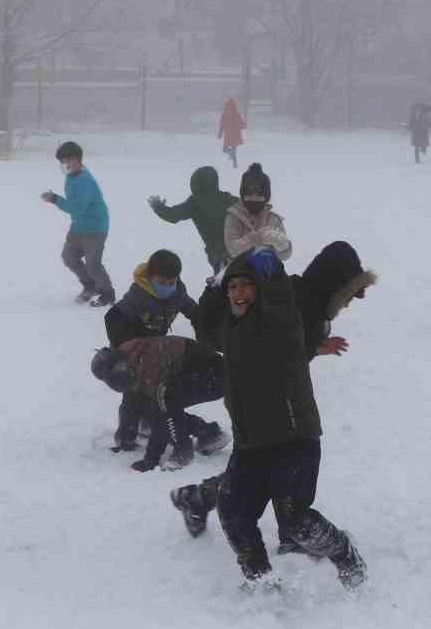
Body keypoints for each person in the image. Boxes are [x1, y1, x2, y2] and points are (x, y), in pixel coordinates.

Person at [173, 249, 366, 591]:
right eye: (233, 288)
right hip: (250, 443)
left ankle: (344, 553)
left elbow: (278, 300)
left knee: (295, 522)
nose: (239, 293)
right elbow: (205, 329)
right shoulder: (231, 329)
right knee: (233, 513)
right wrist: (213, 286)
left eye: (247, 285)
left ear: (261, 289)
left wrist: (272, 269)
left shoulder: (279, 319)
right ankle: (262, 581)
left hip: (293, 439)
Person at [104, 250, 225, 457]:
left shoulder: (177, 291)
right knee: (134, 394)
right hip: (138, 353)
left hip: (161, 354)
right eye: (162, 282)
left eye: (172, 281)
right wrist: (126, 346)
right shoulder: (138, 294)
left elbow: (193, 312)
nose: (168, 286)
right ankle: (128, 435)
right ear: (150, 278)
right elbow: (112, 317)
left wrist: (207, 333)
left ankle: (205, 432)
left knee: (158, 400)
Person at [91, 337, 228, 471]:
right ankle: (209, 433)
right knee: (155, 402)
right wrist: (126, 437)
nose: (114, 381)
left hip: (217, 377)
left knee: (166, 398)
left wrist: (151, 459)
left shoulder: (149, 362)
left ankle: (182, 452)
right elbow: (131, 400)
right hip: (200, 374)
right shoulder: (131, 360)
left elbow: (161, 413)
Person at [42, 140, 114, 306]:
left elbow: (77, 208)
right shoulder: (72, 174)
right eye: (61, 162)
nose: (62, 165)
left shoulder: (85, 181)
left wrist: (54, 199)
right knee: (69, 257)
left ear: (74, 159)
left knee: (93, 264)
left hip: (96, 227)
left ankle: (107, 294)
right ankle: (90, 286)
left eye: (64, 161)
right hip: (79, 226)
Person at [148, 166, 238, 277]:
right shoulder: (228, 199)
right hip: (238, 249)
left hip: (218, 254)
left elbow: (173, 215)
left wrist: (158, 207)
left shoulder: (195, 203)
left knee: (224, 283)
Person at [224, 163, 292, 263]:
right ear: (243, 196)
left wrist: (282, 244)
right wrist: (258, 237)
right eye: (249, 195)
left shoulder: (273, 219)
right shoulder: (233, 217)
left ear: (266, 197)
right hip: (239, 270)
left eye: (259, 195)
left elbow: (285, 255)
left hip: (267, 270)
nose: (254, 199)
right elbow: (233, 249)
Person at [218, 97, 246, 169]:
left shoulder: (236, 115)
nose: (228, 109)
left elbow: (241, 124)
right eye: (227, 108)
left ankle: (235, 164)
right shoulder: (224, 115)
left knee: (234, 150)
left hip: (235, 135)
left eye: (230, 108)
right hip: (227, 135)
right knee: (225, 149)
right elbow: (222, 124)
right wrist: (220, 133)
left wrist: (243, 125)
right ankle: (231, 155)